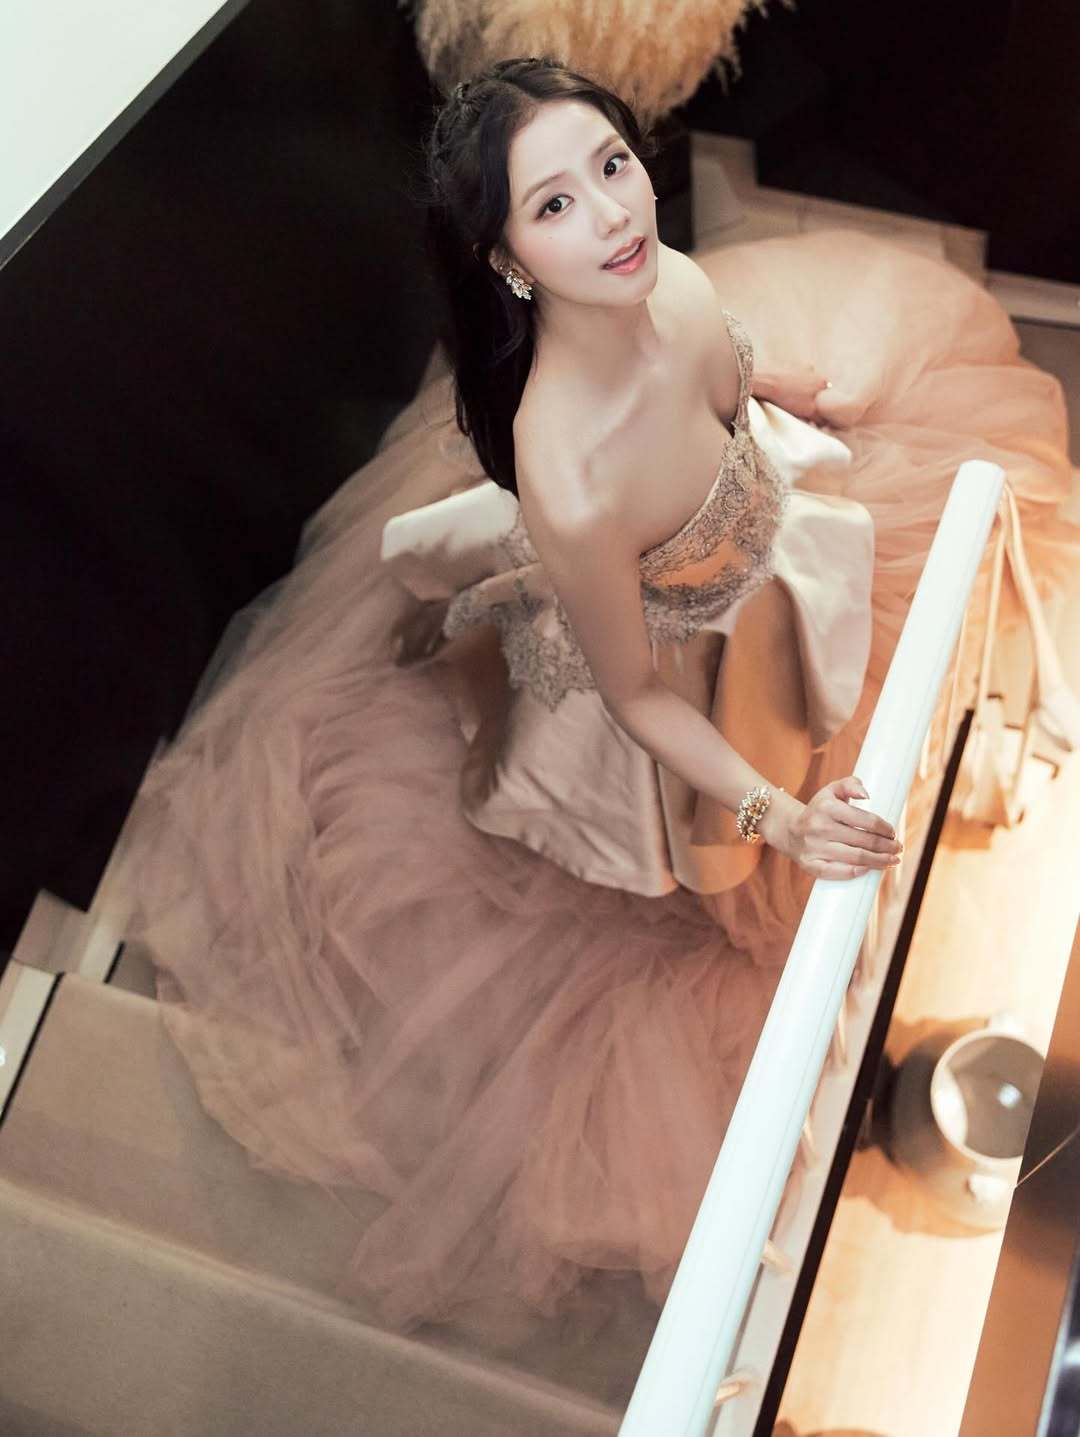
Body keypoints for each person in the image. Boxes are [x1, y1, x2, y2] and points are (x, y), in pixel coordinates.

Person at [115, 55, 1080, 1362]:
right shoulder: (567, 467)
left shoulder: (665, 280)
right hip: (672, 664)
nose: (614, 214)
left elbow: (727, 364)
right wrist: (781, 817)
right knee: (701, 858)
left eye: (612, 167)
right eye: (555, 205)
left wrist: (794, 400)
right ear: (508, 260)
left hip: (771, 547)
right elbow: (632, 697)